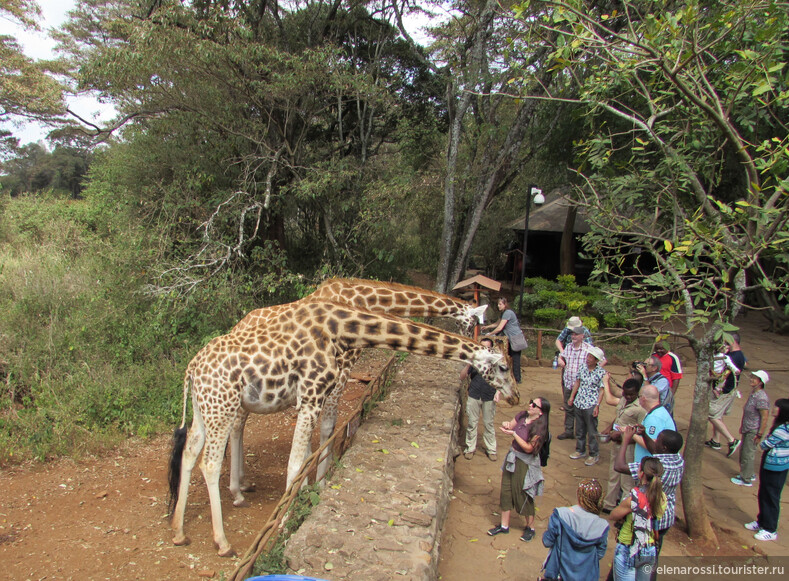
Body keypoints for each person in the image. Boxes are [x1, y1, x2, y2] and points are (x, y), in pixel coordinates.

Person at [615, 427, 684, 578]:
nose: (654, 442)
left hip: (644, 518)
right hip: (664, 517)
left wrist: (626, 440)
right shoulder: (678, 460)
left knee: (631, 558)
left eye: (657, 440)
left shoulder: (654, 467)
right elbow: (657, 451)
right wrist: (644, 435)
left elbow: (619, 466)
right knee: (651, 556)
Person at [487, 397, 550, 542]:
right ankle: (504, 525)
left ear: (540, 412)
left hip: (525, 462)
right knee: (507, 489)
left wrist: (514, 434)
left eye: (534, 405)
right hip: (513, 457)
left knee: (523, 493)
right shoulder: (522, 416)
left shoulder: (539, 427)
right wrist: (507, 425)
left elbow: (529, 448)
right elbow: (511, 425)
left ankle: (530, 527)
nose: (530, 405)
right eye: (531, 402)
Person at [610, 456, 666, 581]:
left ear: (641, 474)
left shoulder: (633, 499)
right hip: (649, 549)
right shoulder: (662, 498)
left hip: (628, 548)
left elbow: (613, 515)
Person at [541, 479, 609, 581]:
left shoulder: (560, 515)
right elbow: (599, 554)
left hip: (559, 573)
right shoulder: (602, 526)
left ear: (579, 496)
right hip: (586, 576)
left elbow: (547, 541)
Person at [744, 398, 789, 541]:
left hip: (777, 467)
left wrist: (765, 442)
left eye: (777, 407)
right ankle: (761, 521)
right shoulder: (781, 426)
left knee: (771, 496)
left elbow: (765, 445)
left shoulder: (782, 429)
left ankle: (770, 529)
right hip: (772, 464)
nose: (774, 409)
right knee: (764, 493)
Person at [601, 378, 646, 513]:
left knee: (627, 480)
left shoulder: (640, 409)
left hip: (629, 447)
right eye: (626, 394)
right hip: (617, 444)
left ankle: (624, 508)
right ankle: (608, 504)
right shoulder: (623, 400)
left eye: (631, 394)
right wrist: (609, 429)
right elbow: (618, 417)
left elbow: (640, 431)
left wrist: (622, 436)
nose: (628, 397)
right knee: (613, 474)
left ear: (637, 393)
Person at [706, 334, 747, 457]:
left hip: (724, 390)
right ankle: (716, 440)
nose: (724, 345)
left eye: (726, 342)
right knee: (718, 414)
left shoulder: (733, 357)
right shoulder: (737, 355)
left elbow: (727, 374)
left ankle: (731, 440)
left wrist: (717, 388)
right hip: (728, 389)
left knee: (711, 414)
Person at [568, 346, 607, 465]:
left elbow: (601, 390)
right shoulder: (582, 368)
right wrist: (572, 397)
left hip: (590, 403)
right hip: (579, 402)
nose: (588, 359)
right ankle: (580, 450)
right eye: (588, 356)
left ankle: (594, 453)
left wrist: (597, 405)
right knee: (579, 428)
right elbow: (577, 382)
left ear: (596, 360)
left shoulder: (601, 373)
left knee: (591, 430)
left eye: (591, 357)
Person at [461, 337, 498, 461]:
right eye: (481, 347)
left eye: (486, 347)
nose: (483, 349)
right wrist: (468, 364)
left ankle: (491, 449)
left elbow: (500, 379)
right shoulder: (475, 361)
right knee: (472, 423)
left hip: (489, 395)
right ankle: (470, 448)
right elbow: (462, 376)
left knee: (489, 423)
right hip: (474, 394)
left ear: (491, 349)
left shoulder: (495, 363)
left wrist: (498, 392)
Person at [732, 370, 771, 487]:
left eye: (755, 378)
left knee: (747, 454)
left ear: (761, 382)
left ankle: (746, 479)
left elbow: (764, 417)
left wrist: (759, 434)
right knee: (745, 452)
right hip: (747, 428)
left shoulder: (761, 397)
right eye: (752, 377)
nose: (752, 379)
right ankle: (748, 473)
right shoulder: (754, 393)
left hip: (753, 430)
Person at [557, 327, 591, 440]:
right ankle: (569, 430)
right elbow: (562, 357)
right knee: (568, 407)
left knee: (580, 410)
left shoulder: (588, 349)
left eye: (576, 334)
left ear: (582, 336)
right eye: (572, 334)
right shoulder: (568, 347)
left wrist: (590, 374)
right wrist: (560, 359)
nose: (573, 336)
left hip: (581, 385)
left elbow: (602, 360)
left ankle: (580, 433)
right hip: (568, 382)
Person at [482, 297, 525, 383]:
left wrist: (490, 334)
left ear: (505, 304)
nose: (498, 306)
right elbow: (497, 323)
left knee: (515, 359)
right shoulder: (503, 313)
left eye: (500, 304)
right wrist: (487, 327)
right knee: (508, 357)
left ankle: (517, 379)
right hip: (511, 339)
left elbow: (500, 327)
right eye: (498, 304)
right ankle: (510, 376)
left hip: (515, 338)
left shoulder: (508, 313)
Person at [632, 385, 676, 464]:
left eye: (639, 397)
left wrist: (630, 433)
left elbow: (651, 444)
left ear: (643, 398)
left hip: (651, 466)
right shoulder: (657, 412)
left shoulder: (655, 417)